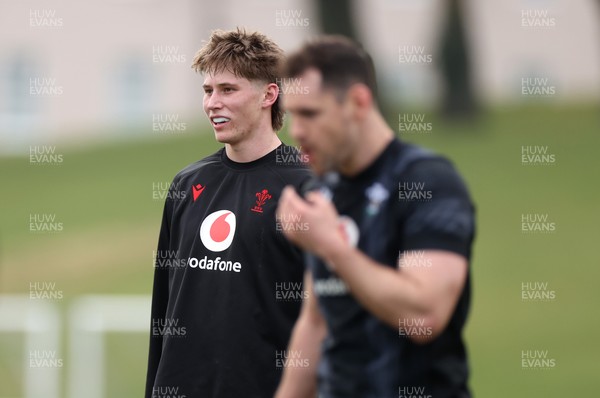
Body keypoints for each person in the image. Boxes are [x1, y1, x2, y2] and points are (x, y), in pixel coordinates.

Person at [275, 36, 476, 398]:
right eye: (292, 115)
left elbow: (424, 316)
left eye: (310, 113)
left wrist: (334, 249)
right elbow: (316, 323)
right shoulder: (320, 191)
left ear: (358, 102)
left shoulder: (427, 181)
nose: (297, 131)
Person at [145, 28, 311, 398]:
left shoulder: (307, 189)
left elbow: (329, 321)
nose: (212, 103)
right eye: (207, 91)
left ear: (269, 94)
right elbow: (163, 306)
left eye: (228, 90)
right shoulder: (186, 184)